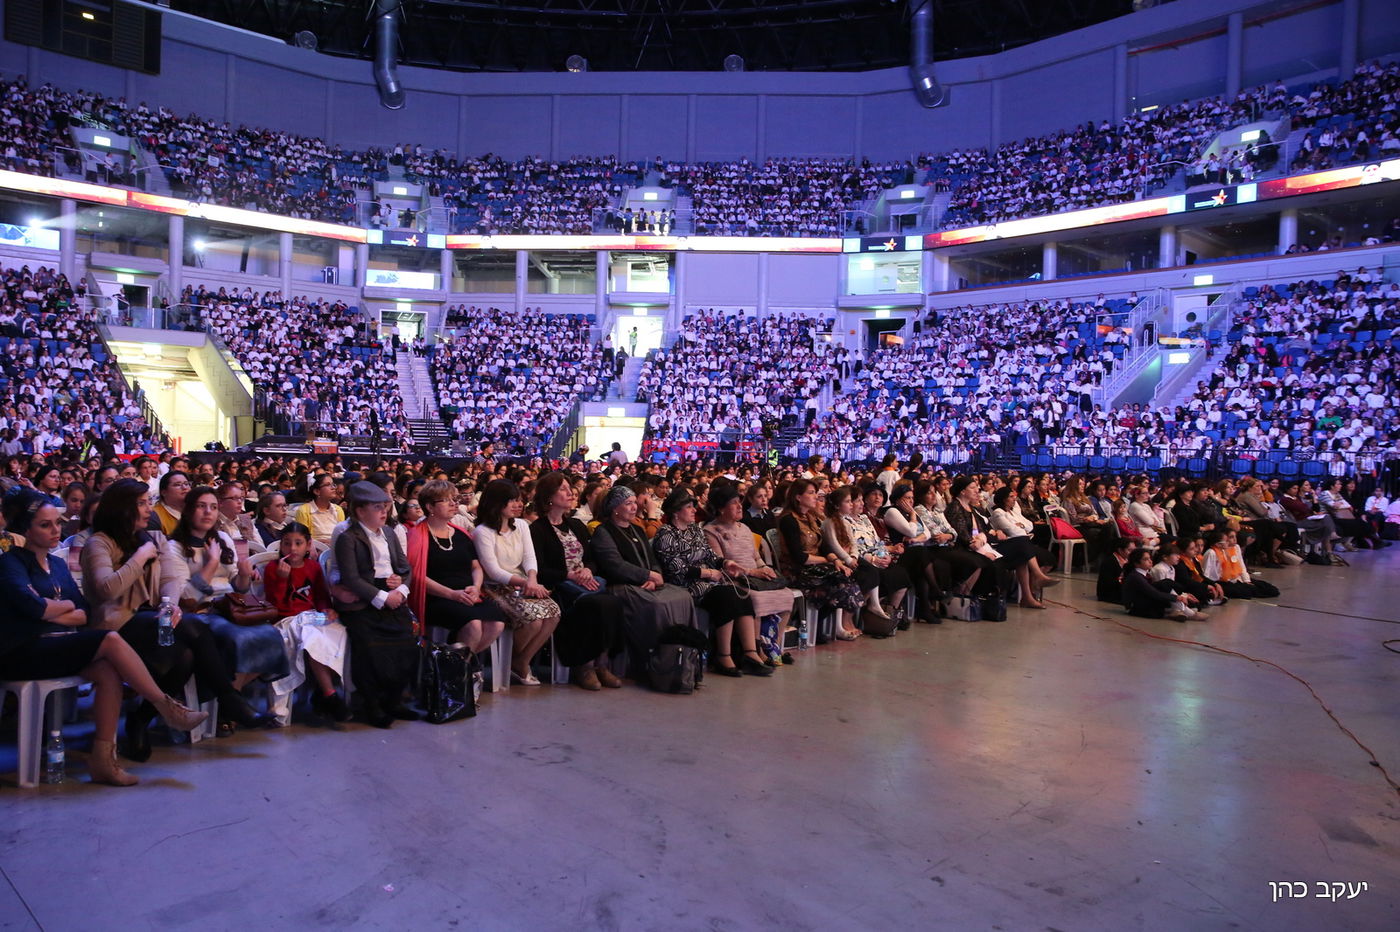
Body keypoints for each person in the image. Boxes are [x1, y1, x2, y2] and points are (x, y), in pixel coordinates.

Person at [0, 488, 207, 786]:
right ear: (25, 529)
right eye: (45, 525)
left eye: (57, 523)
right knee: (108, 639)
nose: (56, 530)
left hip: (57, 644)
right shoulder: (11, 563)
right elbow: (33, 607)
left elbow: (83, 612)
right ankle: (165, 705)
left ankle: (103, 760)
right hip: (21, 651)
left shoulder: (56, 565)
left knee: (108, 670)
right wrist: (53, 608)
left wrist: (55, 609)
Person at [82, 478, 263, 761]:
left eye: (147, 502)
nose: (148, 508)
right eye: (141, 503)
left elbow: (168, 582)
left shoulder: (154, 540)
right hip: (115, 628)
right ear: (122, 508)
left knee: (186, 655)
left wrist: (169, 605)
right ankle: (229, 698)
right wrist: (139, 558)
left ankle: (140, 721)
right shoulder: (100, 543)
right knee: (194, 625)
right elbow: (107, 590)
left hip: (154, 620)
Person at [165, 487, 289, 730]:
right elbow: (186, 598)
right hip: (199, 613)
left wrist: (243, 575)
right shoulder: (174, 547)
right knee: (238, 639)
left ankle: (232, 696)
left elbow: (239, 588)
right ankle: (231, 703)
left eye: (212, 506)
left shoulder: (222, 539)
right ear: (189, 510)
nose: (208, 512)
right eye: (201, 506)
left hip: (230, 607)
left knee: (273, 635)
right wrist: (211, 563)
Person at [653, 486, 768, 677]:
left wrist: (725, 562)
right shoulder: (666, 534)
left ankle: (750, 653)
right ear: (676, 512)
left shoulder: (694, 531)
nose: (693, 511)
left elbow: (710, 555)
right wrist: (708, 573)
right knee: (727, 596)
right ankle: (723, 656)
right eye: (689, 507)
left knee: (742, 595)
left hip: (709, 581)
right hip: (685, 584)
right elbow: (677, 569)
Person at [332, 481, 421, 727]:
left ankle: (393, 699)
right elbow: (351, 578)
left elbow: (404, 568)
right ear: (360, 511)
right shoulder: (348, 538)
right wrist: (382, 598)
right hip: (362, 598)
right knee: (370, 646)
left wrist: (401, 590)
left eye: (385, 507)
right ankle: (371, 703)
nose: (384, 512)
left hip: (391, 594)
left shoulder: (389, 533)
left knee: (407, 638)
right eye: (377, 507)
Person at [587, 484, 703, 668]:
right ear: (615, 509)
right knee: (658, 605)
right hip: (621, 586)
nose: (634, 507)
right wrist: (646, 576)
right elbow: (615, 565)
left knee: (683, 596)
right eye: (628, 503)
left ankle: (685, 658)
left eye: (634, 502)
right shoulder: (604, 532)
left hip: (647, 583)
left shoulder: (637, 529)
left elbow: (652, 559)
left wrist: (654, 575)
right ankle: (655, 660)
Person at [528, 473, 624, 690]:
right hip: (561, 588)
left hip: (584, 582)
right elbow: (539, 569)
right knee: (595, 604)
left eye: (569, 488)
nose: (570, 492)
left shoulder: (577, 525)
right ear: (548, 497)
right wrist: (570, 575)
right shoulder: (538, 529)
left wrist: (588, 570)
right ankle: (585, 665)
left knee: (613, 601)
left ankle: (602, 663)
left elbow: (590, 559)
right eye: (562, 489)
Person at [472, 479, 561, 686]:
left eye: (518, 500)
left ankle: (520, 661)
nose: (518, 505)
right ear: (496, 503)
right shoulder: (482, 532)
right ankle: (513, 663)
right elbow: (493, 571)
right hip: (495, 587)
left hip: (523, 582)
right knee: (533, 620)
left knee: (553, 613)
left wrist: (531, 579)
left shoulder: (521, 525)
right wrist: (525, 583)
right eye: (511, 501)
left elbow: (530, 558)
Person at [407, 479, 507, 662]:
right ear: (430, 506)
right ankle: (461, 672)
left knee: (496, 623)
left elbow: (476, 567)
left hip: (468, 594)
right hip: (437, 597)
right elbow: (417, 577)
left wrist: (476, 587)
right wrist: (452, 594)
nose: (454, 504)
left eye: (454, 499)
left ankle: (459, 665)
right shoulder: (417, 536)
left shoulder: (461, 534)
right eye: (446, 500)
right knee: (474, 625)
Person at [261, 521, 351, 724]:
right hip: (286, 619)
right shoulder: (272, 568)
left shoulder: (312, 567)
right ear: (280, 545)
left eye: (298, 543)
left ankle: (324, 692)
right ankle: (329, 695)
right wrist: (282, 579)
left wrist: (327, 609)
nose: (292, 549)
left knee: (337, 633)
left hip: (311, 617)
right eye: (286, 543)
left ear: (308, 545)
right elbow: (275, 604)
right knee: (311, 638)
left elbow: (320, 595)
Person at [703, 483, 798, 666]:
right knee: (755, 598)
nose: (740, 506)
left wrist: (765, 568)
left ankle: (774, 645)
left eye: (740, 502)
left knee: (786, 594)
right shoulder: (711, 531)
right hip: (734, 579)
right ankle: (757, 650)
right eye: (734, 503)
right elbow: (721, 564)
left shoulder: (744, 528)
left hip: (756, 576)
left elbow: (756, 557)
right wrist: (753, 572)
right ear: (721, 509)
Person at [776, 479, 864, 638]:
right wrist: (829, 561)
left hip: (816, 566)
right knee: (840, 582)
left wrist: (836, 560)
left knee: (848, 573)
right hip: (797, 569)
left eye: (816, 493)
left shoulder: (811, 517)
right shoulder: (789, 520)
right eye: (811, 493)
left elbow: (823, 546)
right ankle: (812, 626)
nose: (815, 497)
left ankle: (820, 626)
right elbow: (799, 557)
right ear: (798, 497)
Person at [1122, 548, 1204, 622]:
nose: (1150, 561)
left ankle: (1179, 610)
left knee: (1166, 583)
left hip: (1143, 601)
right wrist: (1178, 598)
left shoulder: (1144, 574)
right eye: (1146, 559)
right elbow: (1154, 593)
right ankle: (1186, 612)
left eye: (1150, 558)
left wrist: (1183, 595)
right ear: (1137, 563)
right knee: (1165, 585)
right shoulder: (1136, 577)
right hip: (1135, 608)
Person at [1203, 529, 1279, 599]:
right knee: (1248, 592)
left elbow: (1241, 566)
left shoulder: (1236, 547)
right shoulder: (1213, 552)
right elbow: (1207, 574)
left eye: (1235, 536)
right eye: (1230, 537)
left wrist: (1246, 580)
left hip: (1237, 578)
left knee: (1269, 589)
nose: (1234, 539)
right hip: (1224, 582)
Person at [294, 473, 345, 547]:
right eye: (328, 485)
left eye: (333, 484)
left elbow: (342, 535)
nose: (333, 488)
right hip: (314, 550)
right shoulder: (304, 511)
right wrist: (320, 543)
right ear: (317, 491)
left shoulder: (338, 510)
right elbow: (302, 539)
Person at [148, 470, 191, 535]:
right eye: (177, 485)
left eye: (186, 484)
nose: (184, 488)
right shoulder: (154, 516)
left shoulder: (195, 511)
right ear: (164, 492)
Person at [1096, 537, 1134, 603]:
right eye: (1130, 550)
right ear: (1120, 550)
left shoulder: (1128, 559)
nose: (1133, 553)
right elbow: (1108, 584)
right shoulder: (1109, 562)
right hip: (1110, 594)